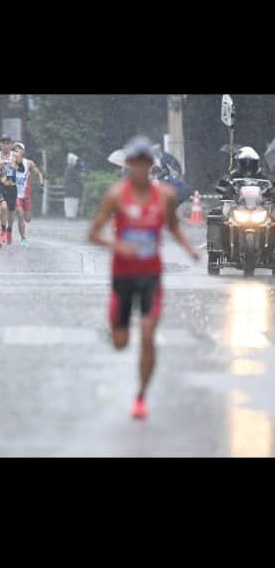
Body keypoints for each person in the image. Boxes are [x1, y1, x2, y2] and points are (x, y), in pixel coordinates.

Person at [88, 136, 199, 420]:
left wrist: (189, 249)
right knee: (121, 342)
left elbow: (172, 227)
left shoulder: (163, 195)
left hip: (151, 276)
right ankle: (114, 325)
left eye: (145, 163)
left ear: (151, 166)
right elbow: (93, 234)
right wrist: (119, 246)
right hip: (123, 276)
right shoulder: (116, 195)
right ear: (129, 166)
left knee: (148, 335)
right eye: (135, 163)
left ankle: (140, 397)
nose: (140, 168)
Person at [13, 142, 44, 246]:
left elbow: (39, 173)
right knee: (20, 215)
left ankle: (18, 224)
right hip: (15, 194)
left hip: (26, 195)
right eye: (15, 149)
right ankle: (23, 238)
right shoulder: (11, 163)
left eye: (19, 148)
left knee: (28, 219)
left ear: (23, 152)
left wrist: (41, 184)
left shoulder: (29, 163)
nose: (16, 150)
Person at [64, 153, 83, 220]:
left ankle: (70, 216)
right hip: (73, 189)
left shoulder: (69, 168)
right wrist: (81, 184)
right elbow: (77, 179)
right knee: (72, 203)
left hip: (69, 190)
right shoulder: (72, 169)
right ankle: (71, 217)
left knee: (70, 203)